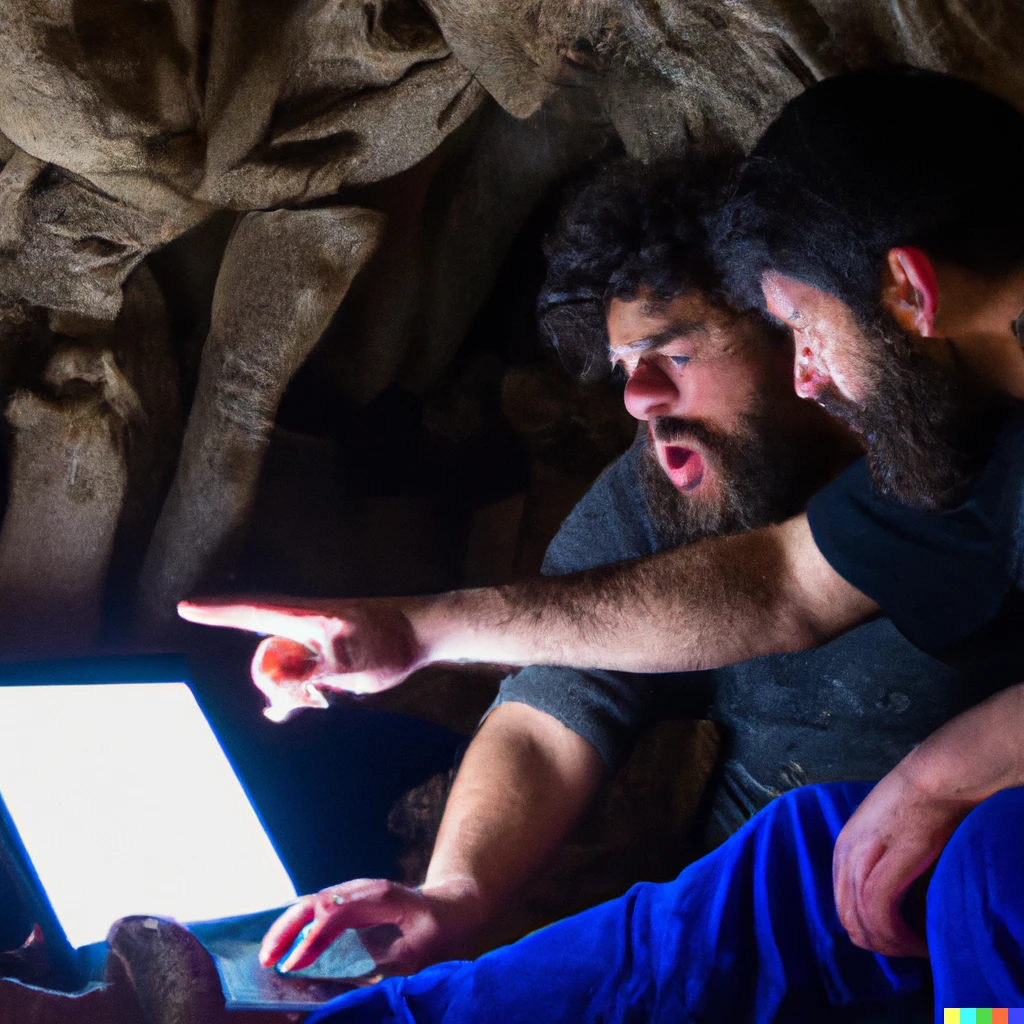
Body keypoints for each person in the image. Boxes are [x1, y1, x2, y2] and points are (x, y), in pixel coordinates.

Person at [180, 68, 1024, 967]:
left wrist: (949, 775)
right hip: (747, 926)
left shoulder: (957, 447)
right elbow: (582, 684)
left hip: (921, 932)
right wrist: (456, 889)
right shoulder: (671, 488)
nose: (641, 401)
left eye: (675, 355)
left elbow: (786, 586)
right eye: (625, 369)